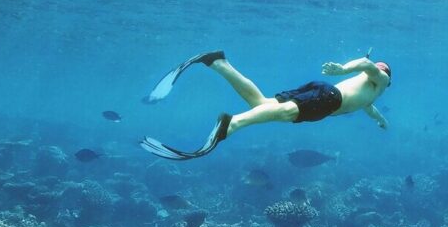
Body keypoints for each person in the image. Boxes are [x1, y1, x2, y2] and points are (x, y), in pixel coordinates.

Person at [140, 50, 391, 160]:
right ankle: (232, 124)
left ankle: (218, 62)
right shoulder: (381, 79)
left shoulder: (371, 96)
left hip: (323, 91)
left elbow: (368, 108)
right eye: (380, 68)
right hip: (329, 98)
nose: (379, 69)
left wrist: (380, 120)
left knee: (260, 103)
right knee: (284, 113)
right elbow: (367, 65)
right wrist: (343, 68)